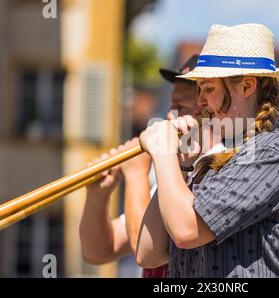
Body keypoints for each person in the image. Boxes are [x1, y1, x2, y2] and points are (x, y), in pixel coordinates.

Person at [136, 23, 279, 277]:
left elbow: (186, 231)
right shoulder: (220, 159)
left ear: (247, 87)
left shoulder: (274, 154)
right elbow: (148, 252)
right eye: (200, 89)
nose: (200, 101)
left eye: (209, 89)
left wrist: (163, 152)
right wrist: (179, 165)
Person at [79, 55, 200, 277]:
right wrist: (98, 196)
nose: (169, 116)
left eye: (180, 107)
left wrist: (136, 173)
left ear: (207, 112)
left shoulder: (214, 174)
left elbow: (144, 250)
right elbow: (98, 251)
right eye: (171, 105)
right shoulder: (170, 173)